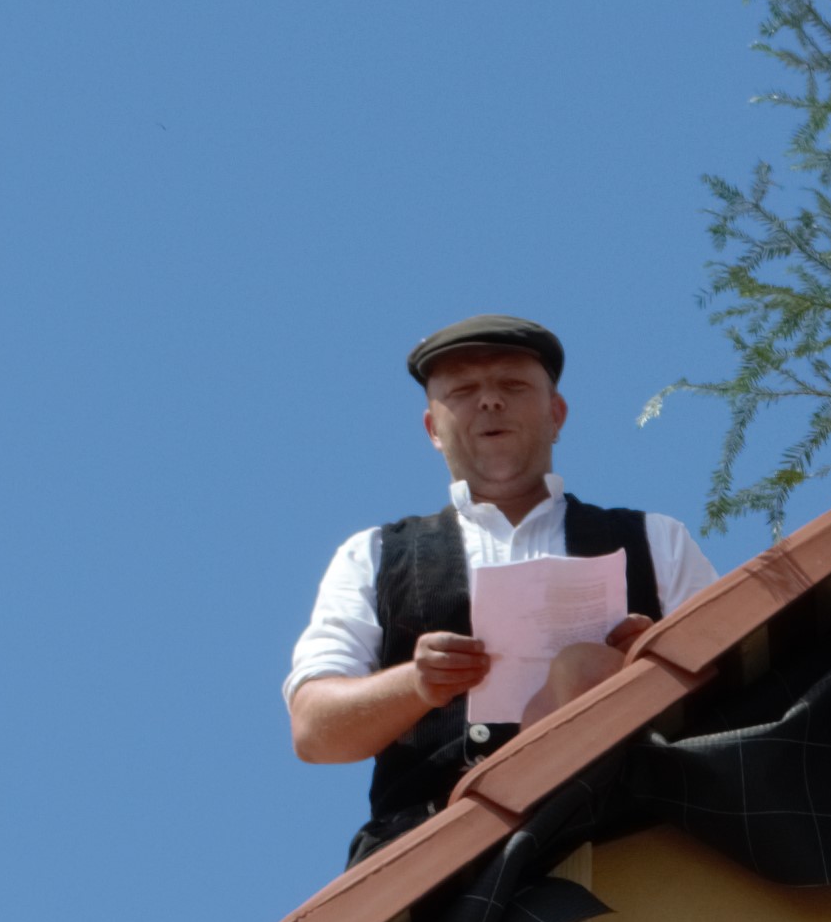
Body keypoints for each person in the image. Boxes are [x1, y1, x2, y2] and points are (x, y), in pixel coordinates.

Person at [287, 315, 715, 861]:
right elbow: (314, 729)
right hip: (432, 861)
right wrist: (418, 683)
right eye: (463, 391)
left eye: (512, 385)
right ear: (433, 429)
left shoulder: (656, 541)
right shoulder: (372, 555)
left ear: (556, 415)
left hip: (628, 841)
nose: (490, 401)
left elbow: (741, 690)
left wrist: (655, 661)